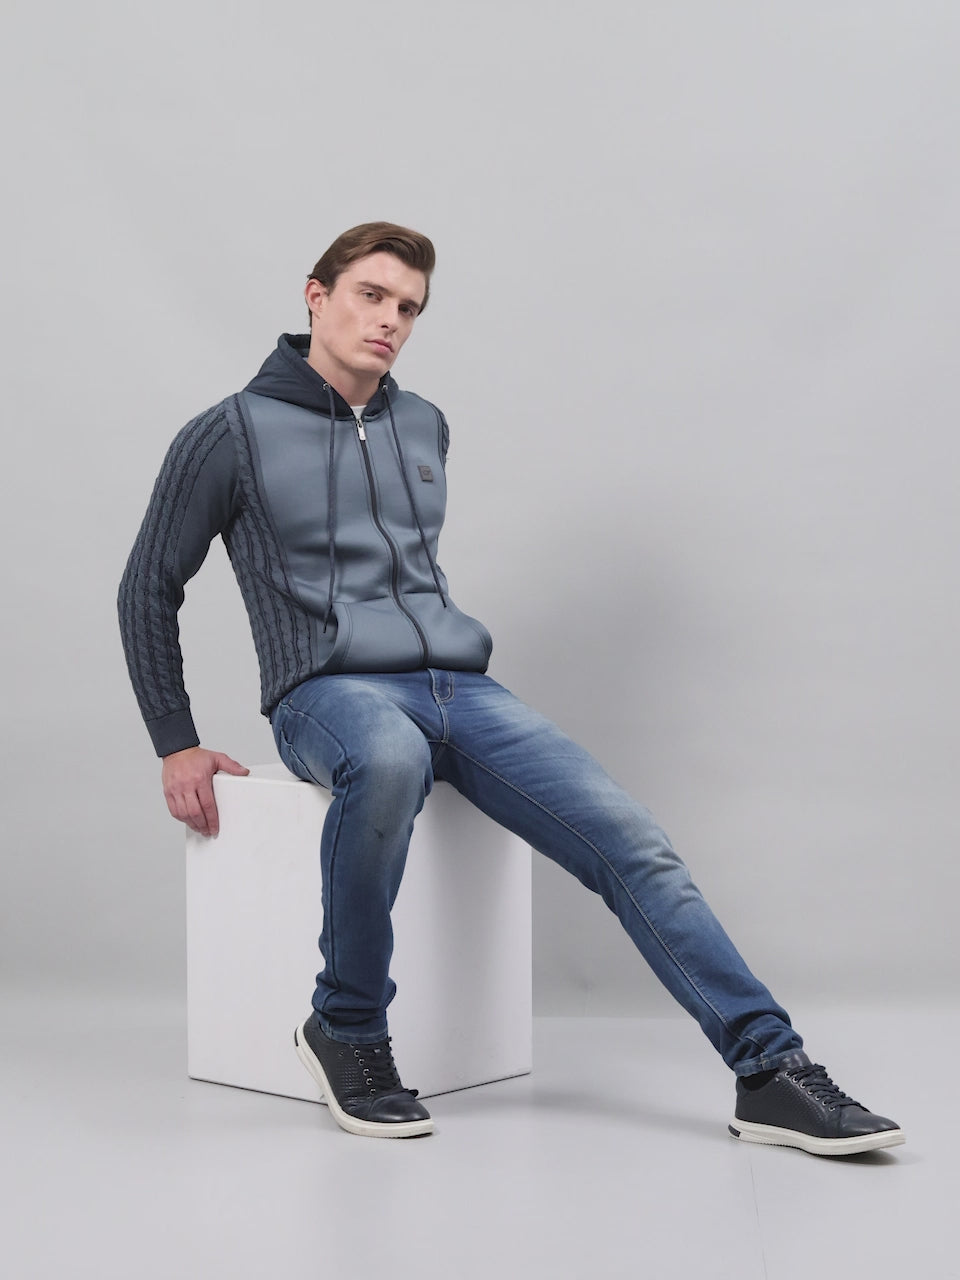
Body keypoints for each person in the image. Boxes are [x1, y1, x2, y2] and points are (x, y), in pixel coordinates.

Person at [119, 221, 903, 1153]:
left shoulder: (424, 423)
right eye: (371, 295)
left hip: (459, 688)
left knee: (632, 839)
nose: (390, 320)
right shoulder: (228, 433)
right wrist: (174, 739)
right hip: (325, 693)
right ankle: (347, 1028)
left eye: (409, 307)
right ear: (316, 296)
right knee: (388, 758)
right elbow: (147, 585)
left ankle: (770, 1070)